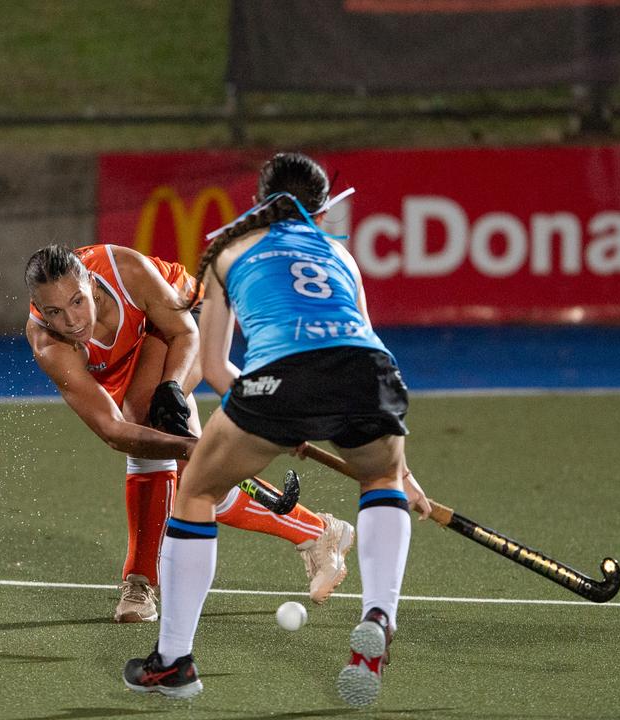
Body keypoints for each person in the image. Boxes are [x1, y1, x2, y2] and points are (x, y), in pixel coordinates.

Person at [122, 152, 431, 706]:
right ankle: (380, 614)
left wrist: (275, 416)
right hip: (373, 373)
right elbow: (353, 344)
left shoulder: (228, 251)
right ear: (317, 208)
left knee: (195, 492)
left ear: (261, 201)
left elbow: (215, 370)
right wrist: (401, 470)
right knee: (381, 478)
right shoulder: (339, 254)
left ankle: (173, 661)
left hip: (279, 377)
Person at [24, 242, 355, 623]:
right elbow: (113, 431)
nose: (72, 321)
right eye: (54, 312)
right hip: (132, 356)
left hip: (183, 315)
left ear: (92, 284)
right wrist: (189, 447)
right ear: (40, 310)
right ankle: (318, 531)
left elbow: (185, 334)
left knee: (147, 417)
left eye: (77, 302)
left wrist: (172, 387)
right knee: (196, 482)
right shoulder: (50, 343)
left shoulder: (125, 270)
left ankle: (140, 579)